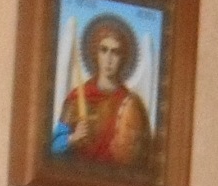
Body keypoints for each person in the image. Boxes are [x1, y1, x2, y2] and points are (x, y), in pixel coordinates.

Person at [55, 16, 150, 167]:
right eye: (103, 50)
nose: (109, 58)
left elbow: (143, 156)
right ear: (95, 53)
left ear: (123, 58)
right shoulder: (76, 98)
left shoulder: (132, 104)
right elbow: (54, 146)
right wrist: (73, 138)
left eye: (115, 52)